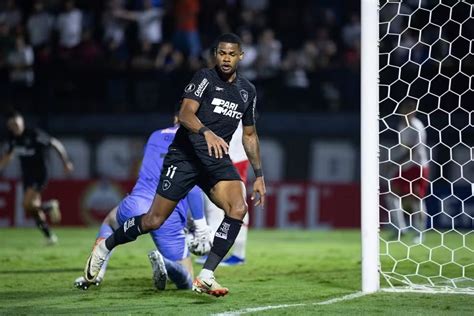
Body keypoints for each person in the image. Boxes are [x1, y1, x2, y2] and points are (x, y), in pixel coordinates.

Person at [84, 33, 266, 297]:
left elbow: (249, 135)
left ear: (241, 56)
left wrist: (259, 175)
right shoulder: (204, 78)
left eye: (231, 54)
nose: (226, 59)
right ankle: (105, 246)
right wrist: (207, 133)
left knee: (238, 208)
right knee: (153, 220)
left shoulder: (247, 91)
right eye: (222, 53)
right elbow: (185, 113)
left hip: (214, 161)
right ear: (216, 54)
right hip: (185, 157)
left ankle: (206, 275)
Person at [75, 120, 213, 290]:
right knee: (186, 279)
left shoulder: (155, 135)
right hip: (168, 213)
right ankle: (167, 264)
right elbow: (192, 189)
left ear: (176, 118)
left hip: (137, 203)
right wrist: (200, 225)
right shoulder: (198, 141)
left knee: (109, 223)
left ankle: (96, 274)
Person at [0, 110, 74, 244]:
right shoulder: (13, 139)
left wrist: (65, 162)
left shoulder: (34, 134)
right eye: (11, 126)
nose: (14, 128)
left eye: (16, 124)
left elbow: (55, 144)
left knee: (26, 204)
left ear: (21, 122)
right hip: (27, 176)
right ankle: (49, 236)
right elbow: (7, 157)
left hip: (40, 174)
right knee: (32, 209)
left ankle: (50, 206)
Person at [199, 121, 250, 266]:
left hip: (231, 156)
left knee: (224, 205)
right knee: (220, 205)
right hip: (230, 155)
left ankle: (232, 253)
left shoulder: (236, 103)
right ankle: (218, 251)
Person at [384, 98, 429, 243]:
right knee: (391, 195)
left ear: (414, 111)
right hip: (405, 167)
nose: (407, 111)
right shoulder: (401, 125)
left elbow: (411, 151)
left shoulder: (417, 127)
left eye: (410, 109)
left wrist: (393, 163)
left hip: (417, 166)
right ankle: (400, 229)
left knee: (416, 199)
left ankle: (419, 234)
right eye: (405, 108)